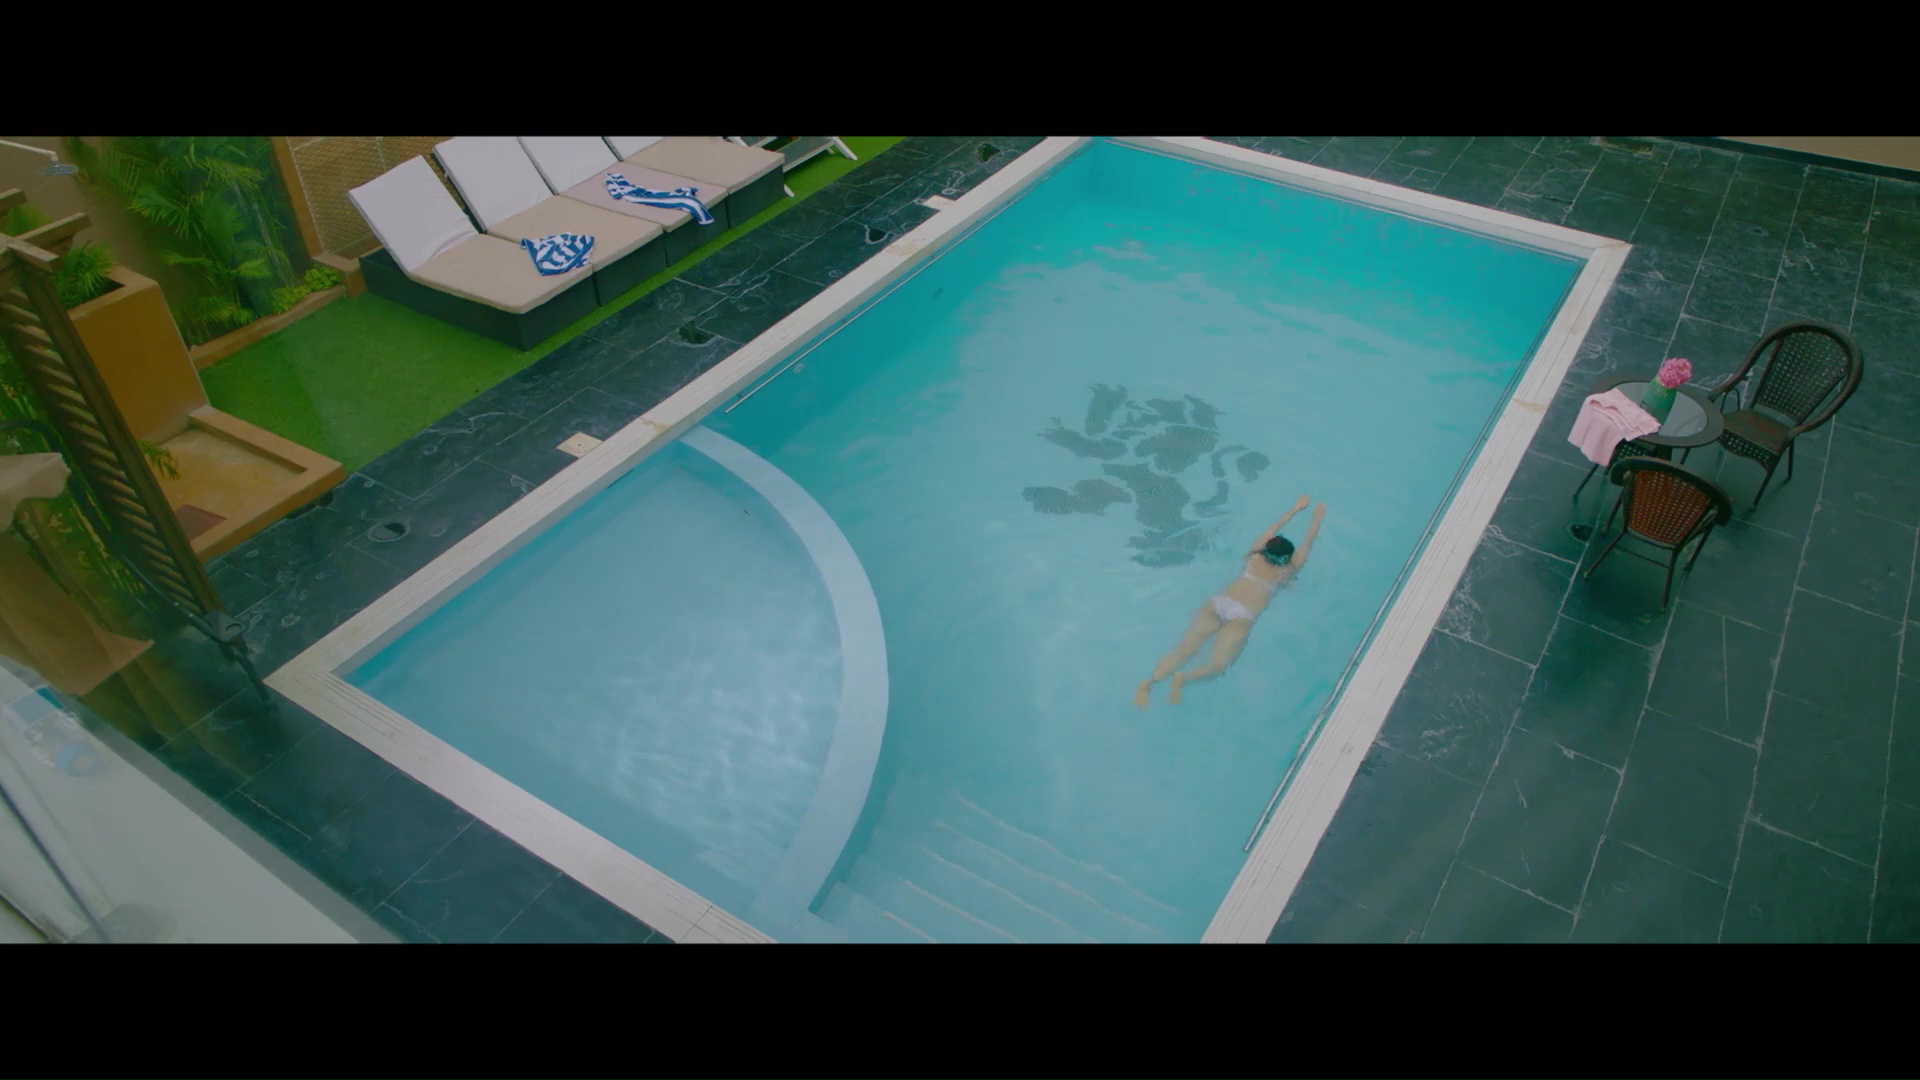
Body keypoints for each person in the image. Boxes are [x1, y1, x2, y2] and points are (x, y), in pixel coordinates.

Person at [1134, 495, 1327, 708]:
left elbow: (1273, 528)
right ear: (1286, 558)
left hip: (1218, 603)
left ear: (1267, 548)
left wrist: (1295, 509)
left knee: (1184, 649)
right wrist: (1317, 517)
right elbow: (1308, 541)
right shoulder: (1288, 570)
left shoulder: (1254, 554)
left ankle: (1149, 683)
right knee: (1218, 666)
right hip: (1242, 615)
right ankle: (1183, 679)